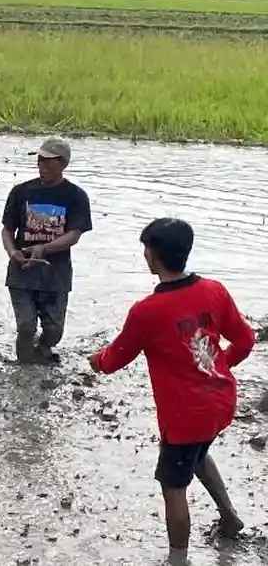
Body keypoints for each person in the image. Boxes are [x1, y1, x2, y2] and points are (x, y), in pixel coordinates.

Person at [88, 217, 253, 565]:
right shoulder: (214, 290)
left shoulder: (147, 310)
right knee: (197, 455)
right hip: (221, 401)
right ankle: (229, 516)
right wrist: (218, 367)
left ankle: (178, 558)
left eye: (146, 249)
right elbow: (245, 339)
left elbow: (116, 357)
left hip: (184, 415)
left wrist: (96, 361)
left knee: (173, 486)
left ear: (153, 255)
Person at [1, 136, 92, 365]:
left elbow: (74, 234)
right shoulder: (21, 192)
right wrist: (13, 252)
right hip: (21, 270)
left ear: (63, 164)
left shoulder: (75, 196)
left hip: (56, 274)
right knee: (25, 326)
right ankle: (24, 371)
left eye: (47, 162)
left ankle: (41, 350)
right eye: (39, 161)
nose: (41, 166)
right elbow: (7, 229)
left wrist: (44, 248)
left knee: (54, 330)